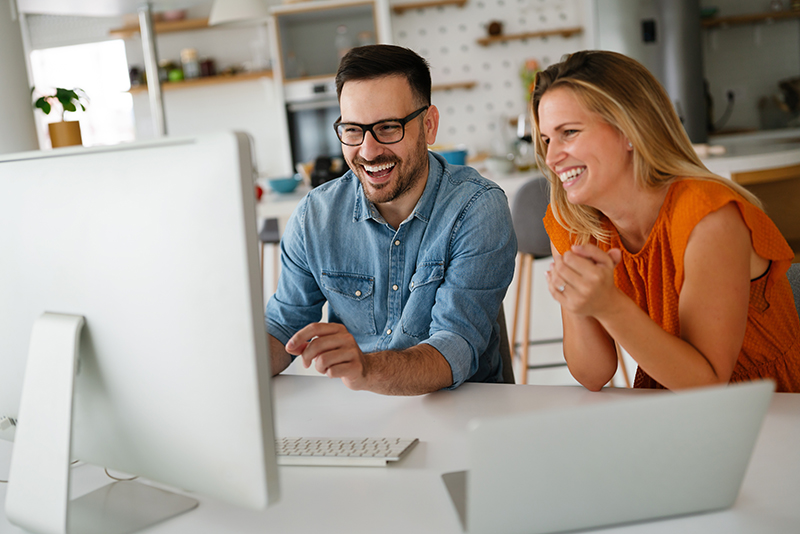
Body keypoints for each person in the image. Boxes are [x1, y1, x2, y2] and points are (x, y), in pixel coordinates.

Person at [532, 50, 800, 393]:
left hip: (769, 408)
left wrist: (610, 307)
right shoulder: (573, 222)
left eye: (569, 132)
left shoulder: (709, 217)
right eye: (546, 139)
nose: (552, 157)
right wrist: (580, 301)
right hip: (670, 403)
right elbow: (594, 373)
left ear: (630, 128)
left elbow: (708, 385)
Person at [266, 45, 517, 395]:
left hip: (463, 411)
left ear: (428, 126)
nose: (368, 152)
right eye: (353, 130)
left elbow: (455, 347)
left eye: (388, 127)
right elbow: (281, 329)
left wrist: (367, 368)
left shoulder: (476, 208)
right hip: (363, 413)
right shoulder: (315, 216)